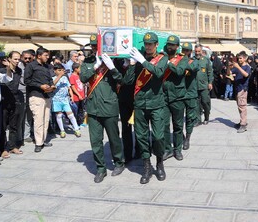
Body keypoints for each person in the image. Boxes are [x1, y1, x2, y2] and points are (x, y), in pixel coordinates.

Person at [123, 32, 169, 184]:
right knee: (141, 137)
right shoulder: (138, 58)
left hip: (156, 104)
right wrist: (130, 65)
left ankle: (160, 163)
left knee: (158, 137)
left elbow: (158, 73)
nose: (148, 46)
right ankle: (147, 167)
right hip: (140, 104)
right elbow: (128, 81)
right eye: (146, 44)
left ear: (157, 45)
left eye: (151, 44)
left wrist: (142, 61)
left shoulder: (162, 58)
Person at [80, 35, 125, 183]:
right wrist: (95, 66)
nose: (94, 49)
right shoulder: (87, 62)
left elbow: (121, 79)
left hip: (109, 106)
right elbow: (83, 78)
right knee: (95, 140)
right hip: (93, 108)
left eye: (96, 46)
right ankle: (100, 168)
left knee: (114, 139)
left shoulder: (113, 61)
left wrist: (111, 66)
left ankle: (119, 162)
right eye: (92, 46)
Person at [162, 35, 188, 161]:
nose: (169, 47)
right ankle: (168, 149)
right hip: (164, 97)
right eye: (168, 44)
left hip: (177, 97)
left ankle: (177, 149)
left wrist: (168, 63)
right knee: (165, 125)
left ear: (177, 47)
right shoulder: (162, 57)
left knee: (177, 126)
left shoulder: (182, 59)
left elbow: (179, 71)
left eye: (172, 45)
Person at [0, 51, 24, 155]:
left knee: (14, 125)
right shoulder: (1, 70)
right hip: (4, 100)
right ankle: (4, 149)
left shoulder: (19, 70)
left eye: (19, 59)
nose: (17, 61)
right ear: (9, 59)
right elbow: (6, 83)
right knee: (3, 126)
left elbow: (15, 85)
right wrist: (8, 68)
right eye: (15, 59)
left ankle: (13, 146)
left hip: (15, 100)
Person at [51, 63, 81, 138]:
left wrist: (71, 96)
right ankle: (62, 130)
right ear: (54, 71)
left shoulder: (65, 78)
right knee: (59, 115)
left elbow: (69, 87)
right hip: (56, 100)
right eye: (59, 70)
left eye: (62, 70)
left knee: (70, 114)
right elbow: (52, 84)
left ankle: (76, 129)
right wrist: (59, 76)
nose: (61, 71)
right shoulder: (53, 78)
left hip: (65, 99)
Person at [181, 43, 199, 150]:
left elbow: (192, 67)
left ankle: (187, 137)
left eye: (187, 51)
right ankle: (181, 137)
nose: (185, 52)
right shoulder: (178, 60)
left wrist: (182, 61)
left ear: (190, 52)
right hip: (180, 93)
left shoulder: (194, 61)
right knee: (178, 120)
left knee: (189, 118)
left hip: (191, 93)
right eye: (183, 50)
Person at [232, 51, 252, 133]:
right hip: (237, 89)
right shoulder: (237, 66)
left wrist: (238, 67)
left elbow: (246, 75)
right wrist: (229, 66)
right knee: (239, 106)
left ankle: (243, 124)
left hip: (243, 89)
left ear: (245, 58)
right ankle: (242, 122)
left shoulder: (247, 67)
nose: (239, 60)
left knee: (242, 107)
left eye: (240, 58)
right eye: (238, 58)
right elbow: (230, 73)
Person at [194, 44, 213, 125]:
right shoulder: (192, 60)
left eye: (199, 51)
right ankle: (198, 120)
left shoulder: (206, 60)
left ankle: (206, 117)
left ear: (201, 51)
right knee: (196, 104)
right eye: (196, 51)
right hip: (194, 85)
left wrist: (210, 82)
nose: (197, 53)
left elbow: (210, 72)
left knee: (205, 102)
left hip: (204, 85)